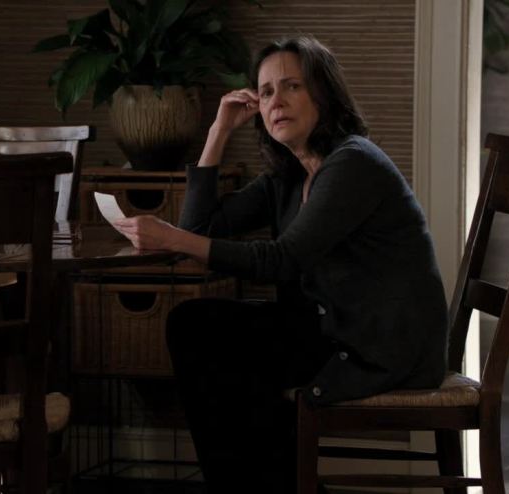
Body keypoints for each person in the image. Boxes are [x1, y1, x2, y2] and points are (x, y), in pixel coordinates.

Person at [114, 36, 448, 493]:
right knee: (193, 325)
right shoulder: (290, 175)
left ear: (324, 95)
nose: (276, 101)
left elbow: (282, 260)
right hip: (330, 329)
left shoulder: (353, 164)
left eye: (292, 86)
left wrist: (172, 237)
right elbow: (200, 226)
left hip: (378, 345)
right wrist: (218, 132)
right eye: (266, 91)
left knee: (220, 348)